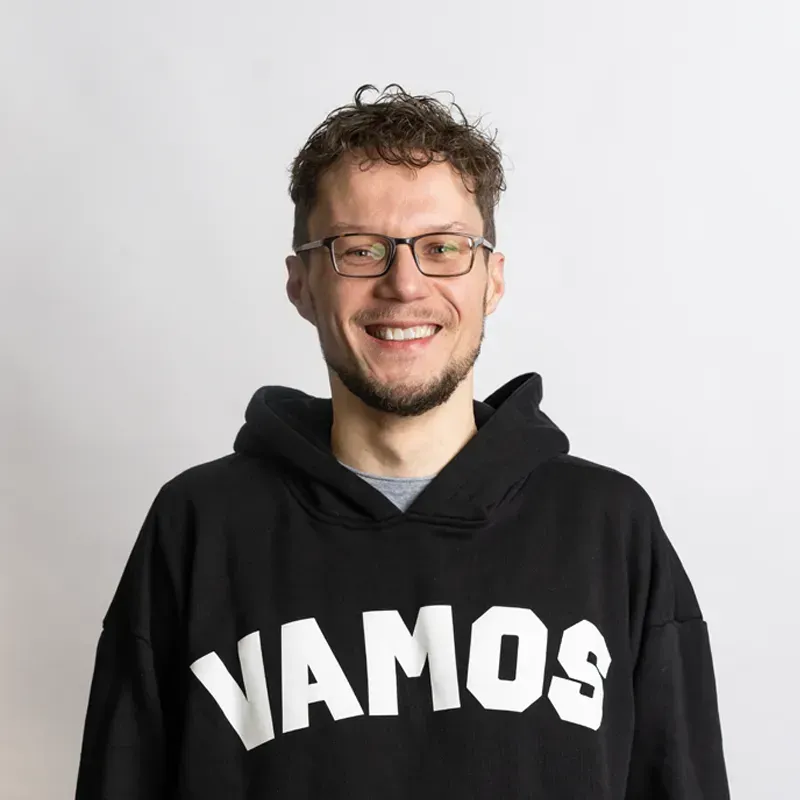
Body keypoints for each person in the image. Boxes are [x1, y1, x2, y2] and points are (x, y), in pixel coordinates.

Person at [75, 84, 729, 798]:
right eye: (359, 250)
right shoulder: (199, 526)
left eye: (443, 248)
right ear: (301, 285)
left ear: (492, 281)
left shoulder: (608, 527)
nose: (404, 284)